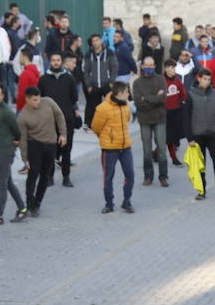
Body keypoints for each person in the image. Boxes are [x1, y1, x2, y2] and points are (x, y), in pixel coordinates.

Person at [16, 85, 65, 215]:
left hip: (50, 144)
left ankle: (37, 202)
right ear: (27, 99)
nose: (38, 102)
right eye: (34, 100)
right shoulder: (23, 116)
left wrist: (63, 133)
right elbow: (23, 139)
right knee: (33, 175)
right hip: (35, 145)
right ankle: (29, 202)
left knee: (46, 175)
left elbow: (59, 115)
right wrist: (25, 158)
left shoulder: (48, 102)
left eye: (38, 99)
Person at [0, 84, 27, 225]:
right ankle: (22, 209)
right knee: (8, 183)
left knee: (2, 185)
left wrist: (14, 142)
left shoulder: (6, 112)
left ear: (3, 96)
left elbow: (17, 130)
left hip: (5, 152)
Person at [90, 81, 134, 214]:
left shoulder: (126, 105)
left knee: (130, 175)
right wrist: (106, 138)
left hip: (125, 146)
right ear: (120, 93)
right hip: (109, 149)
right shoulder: (103, 108)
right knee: (108, 177)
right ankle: (109, 204)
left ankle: (127, 201)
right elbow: (95, 127)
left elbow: (127, 120)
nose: (128, 94)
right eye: (127, 92)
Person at [185, 68, 215, 201]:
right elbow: (186, 117)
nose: (207, 82)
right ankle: (201, 190)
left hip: (213, 133)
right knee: (200, 164)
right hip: (198, 134)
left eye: (209, 80)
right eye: (204, 79)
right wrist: (189, 138)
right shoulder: (191, 95)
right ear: (199, 79)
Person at [38, 52, 81, 186]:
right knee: (51, 149)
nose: (56, 62)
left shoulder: (69, 79)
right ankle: (49, 176)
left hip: (67, 119)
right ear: (50, 62)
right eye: (53, 60)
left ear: (61, 62)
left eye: (58, 60)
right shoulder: (44, 79)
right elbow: (40, 98)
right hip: (49, 120)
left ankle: (66, 176)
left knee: (67, 149)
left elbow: (74, 97)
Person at [131, 56, 169, 187]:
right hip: (145, 119)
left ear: (154, 66)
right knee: (146, 150)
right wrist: (155, 98)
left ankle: (163, 176)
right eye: (146, 65)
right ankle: (148, 176)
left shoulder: (160, 79)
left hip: (159, 118)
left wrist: (146, 98)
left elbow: (163, 98)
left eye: (151, 65)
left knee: (162, 149)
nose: (149, 67)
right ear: (142, 66)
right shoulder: (137, 83)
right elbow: (138, 103)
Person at [84, 35, 117, 128]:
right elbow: (86, 70)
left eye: (97, 40)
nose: (95, 42)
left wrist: (112, 82)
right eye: (93, 41)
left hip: (106, 83)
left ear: (101, 41)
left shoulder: (109, 52)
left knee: (110, 104)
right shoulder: (88, 54)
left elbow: (114, 67)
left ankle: (112, 122)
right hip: (94, 84)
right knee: (92, 105)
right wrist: (88, 85)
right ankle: (90, 124)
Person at [162, 59, 187, 165]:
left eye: (174, 68)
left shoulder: (177, 81)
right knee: (168, 137)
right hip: (165, 113)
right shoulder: (161, 81)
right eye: (171, 67)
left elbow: (183, 94)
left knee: (174, 136)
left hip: (176, 112)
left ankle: (155, 152)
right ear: (166, 68)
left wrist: (185, 102)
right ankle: (173, 158)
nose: (173, 70)